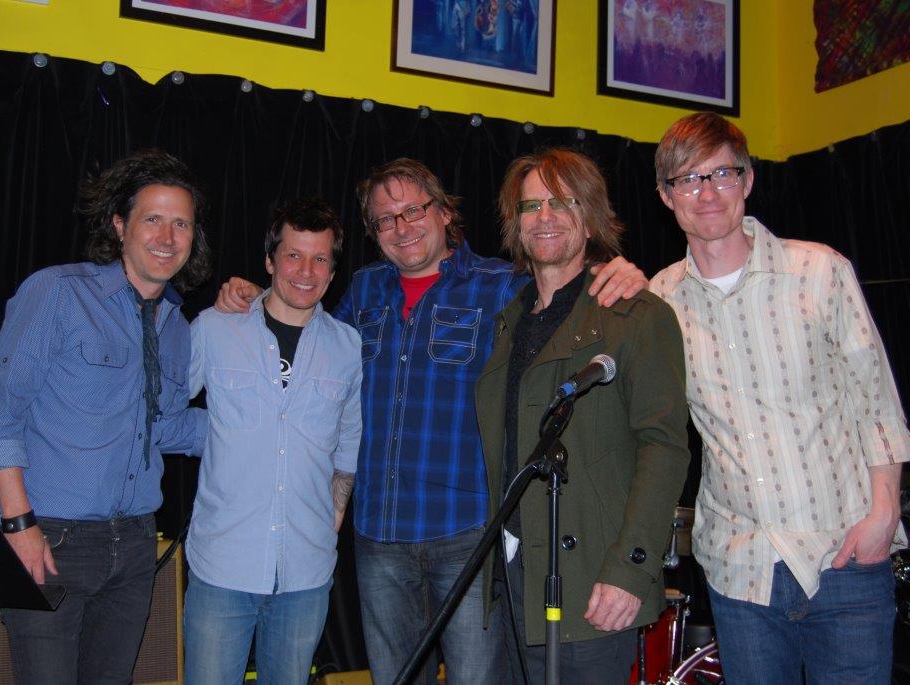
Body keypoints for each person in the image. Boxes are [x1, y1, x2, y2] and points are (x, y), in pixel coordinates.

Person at [216, 157, 646, 684]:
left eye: (413, 210)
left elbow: (569, 282)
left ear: (444, 213)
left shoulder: (503, 284)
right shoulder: (364, 291)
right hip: (379, 536)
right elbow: (300, 322)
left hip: (467, 531)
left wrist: (613, 269)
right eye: (385, 220)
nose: (402, 227)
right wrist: (250, 297)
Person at [649, 111, 909, 684]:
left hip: (845, 553)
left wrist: (883, 514)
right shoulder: (658, 299)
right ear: (667, 196)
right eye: (689, 179)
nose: (708, 192)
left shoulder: (820, 270)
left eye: (722, 173)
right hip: (741, 569)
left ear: (748, 180)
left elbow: (878, 404)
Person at [0, 149, 212, 684]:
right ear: (119, 224)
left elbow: (167, 425)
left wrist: (266, 426)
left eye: (182, 223)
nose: (167, 237)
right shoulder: (58, 292)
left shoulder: (176, 326)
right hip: (49, 539)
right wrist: (18, 524)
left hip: (131, 548)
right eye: (153, 218)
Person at [475, 147, 690, 683]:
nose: (544, 218)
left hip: (593, 585)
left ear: (590, 215)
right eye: (530, 207)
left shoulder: (636, 315)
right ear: (515, 223)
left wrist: (631, 570)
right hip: (514, 579)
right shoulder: (510, 319)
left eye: (561, 202)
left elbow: (664, 448)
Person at [184, 198, 362, 684]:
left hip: (306, 574)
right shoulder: (215, 328)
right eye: (293, 255)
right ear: (269, 260)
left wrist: (334, 515)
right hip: (222, 566)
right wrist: (212, 438)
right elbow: (163, 406)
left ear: (332, 269)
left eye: (320, 258)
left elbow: (347, 443)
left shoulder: (348, 346)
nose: (306, 270)